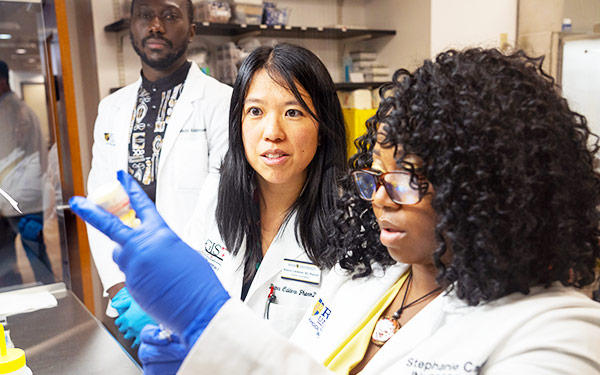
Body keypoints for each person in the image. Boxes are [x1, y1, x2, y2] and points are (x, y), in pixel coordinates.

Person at [70, 47, 600, 374]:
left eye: (409, 180)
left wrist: (210, 321)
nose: (379, 198)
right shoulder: (367, 280)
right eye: (375, 176)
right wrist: (201, 358)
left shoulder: (561, 335)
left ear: (493, 188)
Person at [134, 42, 348, 373]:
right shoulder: (216, 194)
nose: (272, 132)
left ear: (322, 128)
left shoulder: (349, 225)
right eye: (256, 111)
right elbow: (189, 304)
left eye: (293, 112)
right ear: (238, 123)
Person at [85, 0, 232, 348]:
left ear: (192, 30)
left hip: (195, 288)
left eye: (169, 16)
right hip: (129, 288)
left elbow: (220, 201)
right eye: (144, 16)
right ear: (131, 27)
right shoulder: (111, 108)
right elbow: (103, 196)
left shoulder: (222, 101)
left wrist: (173, 291)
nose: (155, 26)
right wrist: (119, 290)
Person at [0, 60, 53, 287]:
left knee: (32, 255)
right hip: (19, 198)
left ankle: (52, 301)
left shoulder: (14, 111)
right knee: (25, 255)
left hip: (21, 199)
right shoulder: (14, 108)